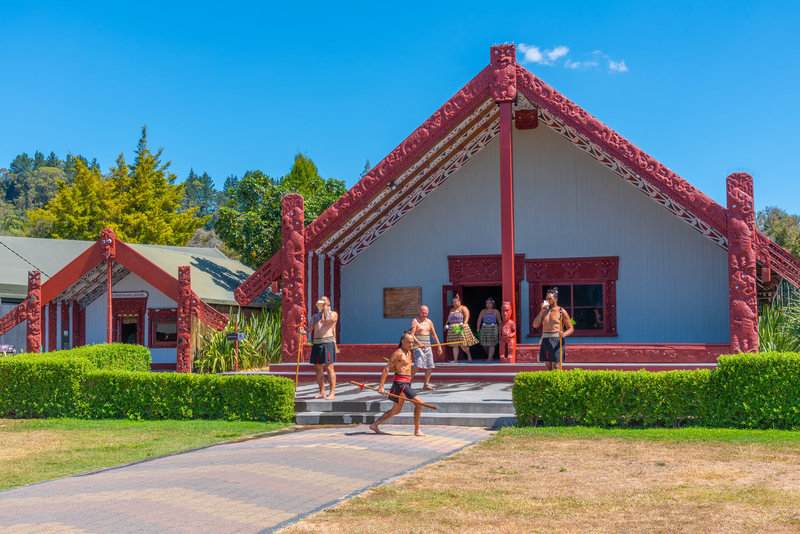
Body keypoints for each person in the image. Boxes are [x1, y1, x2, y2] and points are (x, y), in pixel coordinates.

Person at [369, 332, 427, 437]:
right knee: (419, 404)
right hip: (401, 384)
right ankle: (417, 430)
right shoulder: (398, 353)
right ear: (402, 341)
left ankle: (374, 425)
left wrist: (420, 345)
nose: (411, 344)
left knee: (395, 410)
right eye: (409, 342)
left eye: (412, 342)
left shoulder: (408, 352)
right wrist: (381, 386)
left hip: (405, 383)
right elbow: (387, 368)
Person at [299, 295, 339, 399]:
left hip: (328, 343)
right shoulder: (315, 316)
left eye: (324, 300)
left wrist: (325, 307)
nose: (321, 302)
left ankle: (332, 393)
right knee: (318, 368)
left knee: (329, 368)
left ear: (329, 303)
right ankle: (322, 391)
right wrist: (302, 332)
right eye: (320, 300)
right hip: (317, 344)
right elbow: (309, 329)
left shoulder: (333, 314)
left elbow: (326, 320)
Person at [532, 288, 574, 371]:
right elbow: (535, 325)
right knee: (548, 366)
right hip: (545, 340)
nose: (548, 300)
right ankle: (550, 383)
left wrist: (564, 334)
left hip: (557, 339)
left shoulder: (561, 311)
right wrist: (541, 311)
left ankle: (559, 383)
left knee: (557, 366)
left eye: (550, 299)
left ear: (556, 299)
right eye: (547, 299)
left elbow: (571, 328)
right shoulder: (544, 312)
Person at [408, 305, 442, 390]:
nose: (424, 315)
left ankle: (426, 384)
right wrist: (419, 343)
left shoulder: (429, 322)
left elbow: (434, 335)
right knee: (418, 364)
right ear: (419, 311)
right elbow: (411, 334)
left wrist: (439, 345)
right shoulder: (415, 321)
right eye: (423, 313)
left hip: (427, 344)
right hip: (417, 344)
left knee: (430, 365)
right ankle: (408, 382)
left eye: (426, 313)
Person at [445, 294, 478, 362]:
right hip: (452, 328)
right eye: (453, 302)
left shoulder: (463, 308)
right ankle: (455, 359)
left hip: (460, 328)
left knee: (463, 344)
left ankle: (469, 355)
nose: (454, 303)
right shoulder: (452, 310)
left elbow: (467, 316)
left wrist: (465, 323)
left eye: (456, 302)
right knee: (455, 344)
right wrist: (446, 325)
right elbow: (448, 319)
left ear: (459, 301)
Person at [476, 297, 500, 362]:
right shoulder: (483, 311)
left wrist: (501, 328)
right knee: (484, 344)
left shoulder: (496, 311)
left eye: (490, 303)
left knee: (492, 343)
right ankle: (490, 354)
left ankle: (490, 357)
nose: (488, 304)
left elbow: (499, 320)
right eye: (487, 303)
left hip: (493, 328)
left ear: (493, 304)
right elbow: (479, 320)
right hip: (484, 328)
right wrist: (478, 327)